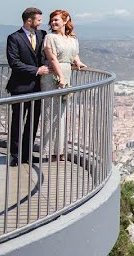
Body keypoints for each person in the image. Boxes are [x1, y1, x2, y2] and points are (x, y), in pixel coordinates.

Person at [5, 7, 50, 166]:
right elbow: (14, 63)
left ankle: (27, 154)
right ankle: (16, 155)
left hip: (37, 87)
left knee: (33, 122)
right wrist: (36, 70)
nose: (41, 22)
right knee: (18, 121)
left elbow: (48, 53)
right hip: (20, 87)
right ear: (29, 20)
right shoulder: (14, 38)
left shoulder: (42, 34)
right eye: (38, 19)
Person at [41, 9, 86, 161]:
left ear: (65, 21)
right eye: (52, 20)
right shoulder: (50, 38)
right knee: (50, 113)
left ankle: (59, 151)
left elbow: (74, 54)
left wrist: (78, 62)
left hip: (66, 74)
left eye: (56, 20)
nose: (53, 23)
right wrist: (60, 76)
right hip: (54, 75)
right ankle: (49, 152)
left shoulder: (72, 38)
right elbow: (52, 58)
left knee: (61, 114)